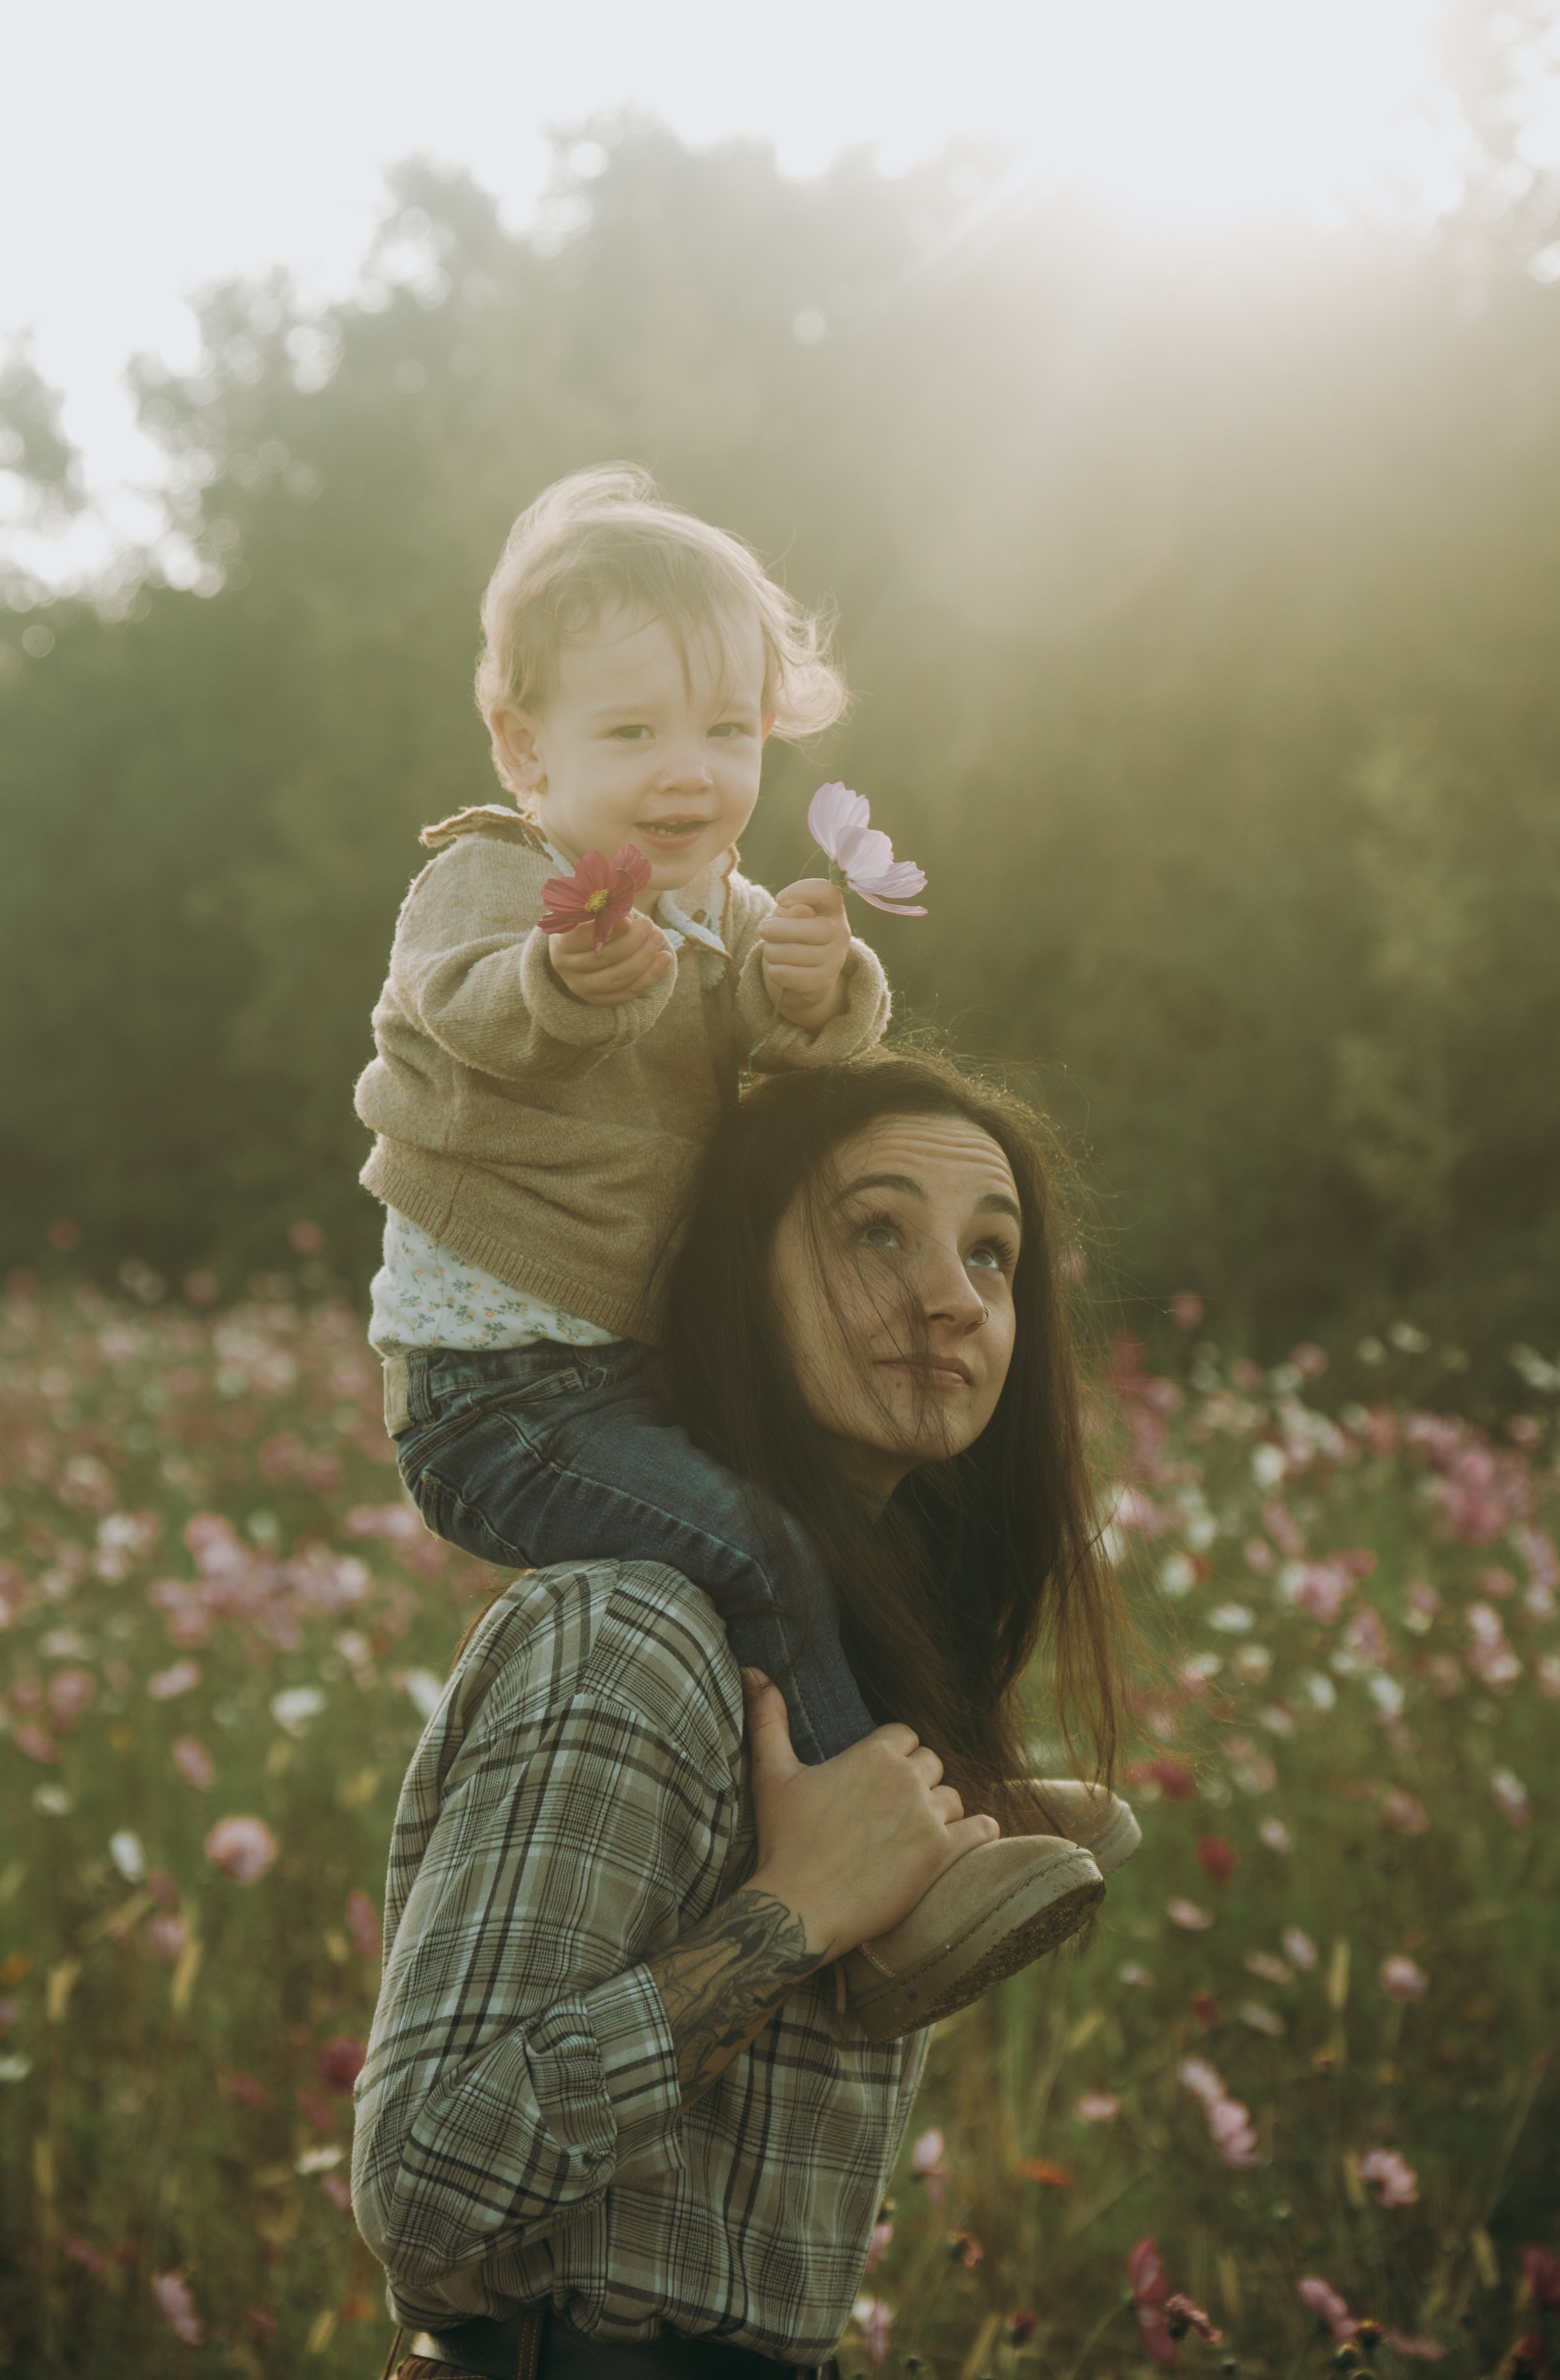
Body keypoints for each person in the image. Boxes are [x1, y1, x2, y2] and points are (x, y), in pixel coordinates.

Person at [355, 467, 1112, 2022]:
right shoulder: (491, 885)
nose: (686, 776)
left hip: (630, 1372)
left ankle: (952, 1795)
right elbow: (472, 1011)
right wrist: (571, 972)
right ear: (525, 750)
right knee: (756, 1543)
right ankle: (886, 1890)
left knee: (838, 1508)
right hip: (496, 1398)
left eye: (728, 733)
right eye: (629, 735)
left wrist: (819, 982)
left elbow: (795, 1055)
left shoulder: (720, 900)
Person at [353, 1055, 1131, 2380]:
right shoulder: (635, 1638)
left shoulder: (872, 1654)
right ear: (735, 1281)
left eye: (991, 1256)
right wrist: (794, 1918)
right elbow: (426, 2184)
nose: (949, 1296)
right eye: (875, 1231)